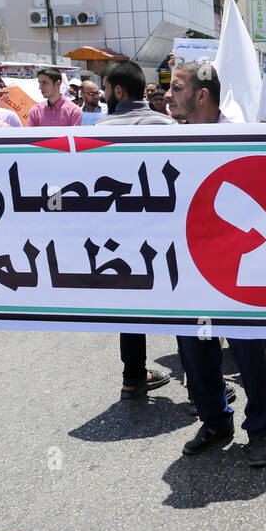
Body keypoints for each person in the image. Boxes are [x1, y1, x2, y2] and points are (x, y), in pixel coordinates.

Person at [165, 61, 266, 467]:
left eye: (177, 89)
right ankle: (215, 420)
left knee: (248, 351)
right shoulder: (163, 142)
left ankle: (260, 430)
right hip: (188, 269)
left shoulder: (241, 136)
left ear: (201, 96)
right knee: (195, 352)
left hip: (235, 267)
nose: (169, 96)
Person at [96, 60, 176, 403]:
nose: (101, 94)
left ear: (117, 90)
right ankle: (197, 388)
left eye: (104, 87)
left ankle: (133, 378)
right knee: (182, 304)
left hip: (120, 235)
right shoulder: (169, 126)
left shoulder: (99, 129)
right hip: (165, 233)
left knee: (129, 304)